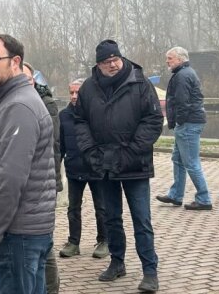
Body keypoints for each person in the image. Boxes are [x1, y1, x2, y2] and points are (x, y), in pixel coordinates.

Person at [69, 39, 163, 293]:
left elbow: (153, 119)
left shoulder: (139, 83)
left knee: (141, 219)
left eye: (115, 59)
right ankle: (117, 261)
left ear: (121, 58)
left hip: (135, 163)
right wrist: (90, 151)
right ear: (98, 65)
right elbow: (80, 122)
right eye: (106, 61)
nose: (112, 64)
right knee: (111, 217)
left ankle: (150, 270)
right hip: (103, 164)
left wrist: (133, 150)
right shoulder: (88, 88)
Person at [0, 33, 56, 294]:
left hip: (17, 233)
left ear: (16, 61)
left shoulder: (19, 106)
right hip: (23, 231)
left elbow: (11, 176)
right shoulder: (11, 100)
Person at [20, 62, 61, 294]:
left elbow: (52, 144)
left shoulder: (45, 104)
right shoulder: (10, 103)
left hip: (43, 183)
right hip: (25, 185)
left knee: (45, 244)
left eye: (27, 78)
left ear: (33, 80)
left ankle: (51, 289)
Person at [58, 79, 109, 259]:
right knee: (73, 208)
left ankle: (104, 240)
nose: (73, 96)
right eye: (71, 92)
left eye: (77, 92)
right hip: (74, 169)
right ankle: (73, 242)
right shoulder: (63, 116)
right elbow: (60, 144)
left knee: (101, 207)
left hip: (96, 169)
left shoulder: (97, 113)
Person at [156, 47, 212, 210]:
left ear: (180, 59)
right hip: (189, 122)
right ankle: (175, 195)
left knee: (191, 163)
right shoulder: (185, 73)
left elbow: (182, 102)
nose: (167, 61)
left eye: (170, 58)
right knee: (178, 160)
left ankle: (204, 199)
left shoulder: (182, 76)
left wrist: (178, 122)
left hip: (188, 124)